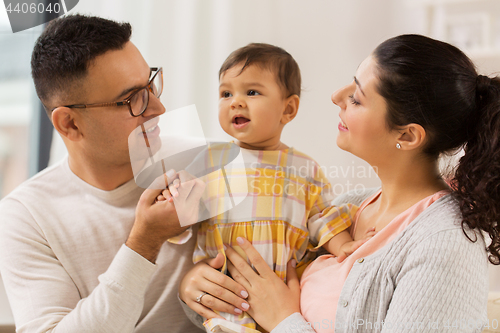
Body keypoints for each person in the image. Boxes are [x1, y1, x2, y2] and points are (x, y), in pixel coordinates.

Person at [179, 34, 499, 333]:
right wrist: (198, 286)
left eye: (357, 98)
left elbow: (274, 311)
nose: (336, 96)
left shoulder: (445, 244)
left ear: (407, 135)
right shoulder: (349, 206)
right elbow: (255, 296)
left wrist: (283, 321)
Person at [0, 14, 205, 333]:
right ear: (69, 123)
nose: (157, 108)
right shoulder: (26, 217)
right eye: (131, 99)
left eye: (151, 84)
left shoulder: (203, 161)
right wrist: (144, 242)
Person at [160, 43, 373, 332]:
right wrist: (175, 200)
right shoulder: (209, 162)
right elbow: (181, 221)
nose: (235, 101)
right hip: (226, 299)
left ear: (288, 108)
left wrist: (343, 246)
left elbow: (321, 218)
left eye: (251, 92)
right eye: (226, 93)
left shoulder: (303, 168)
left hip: (283, 297)